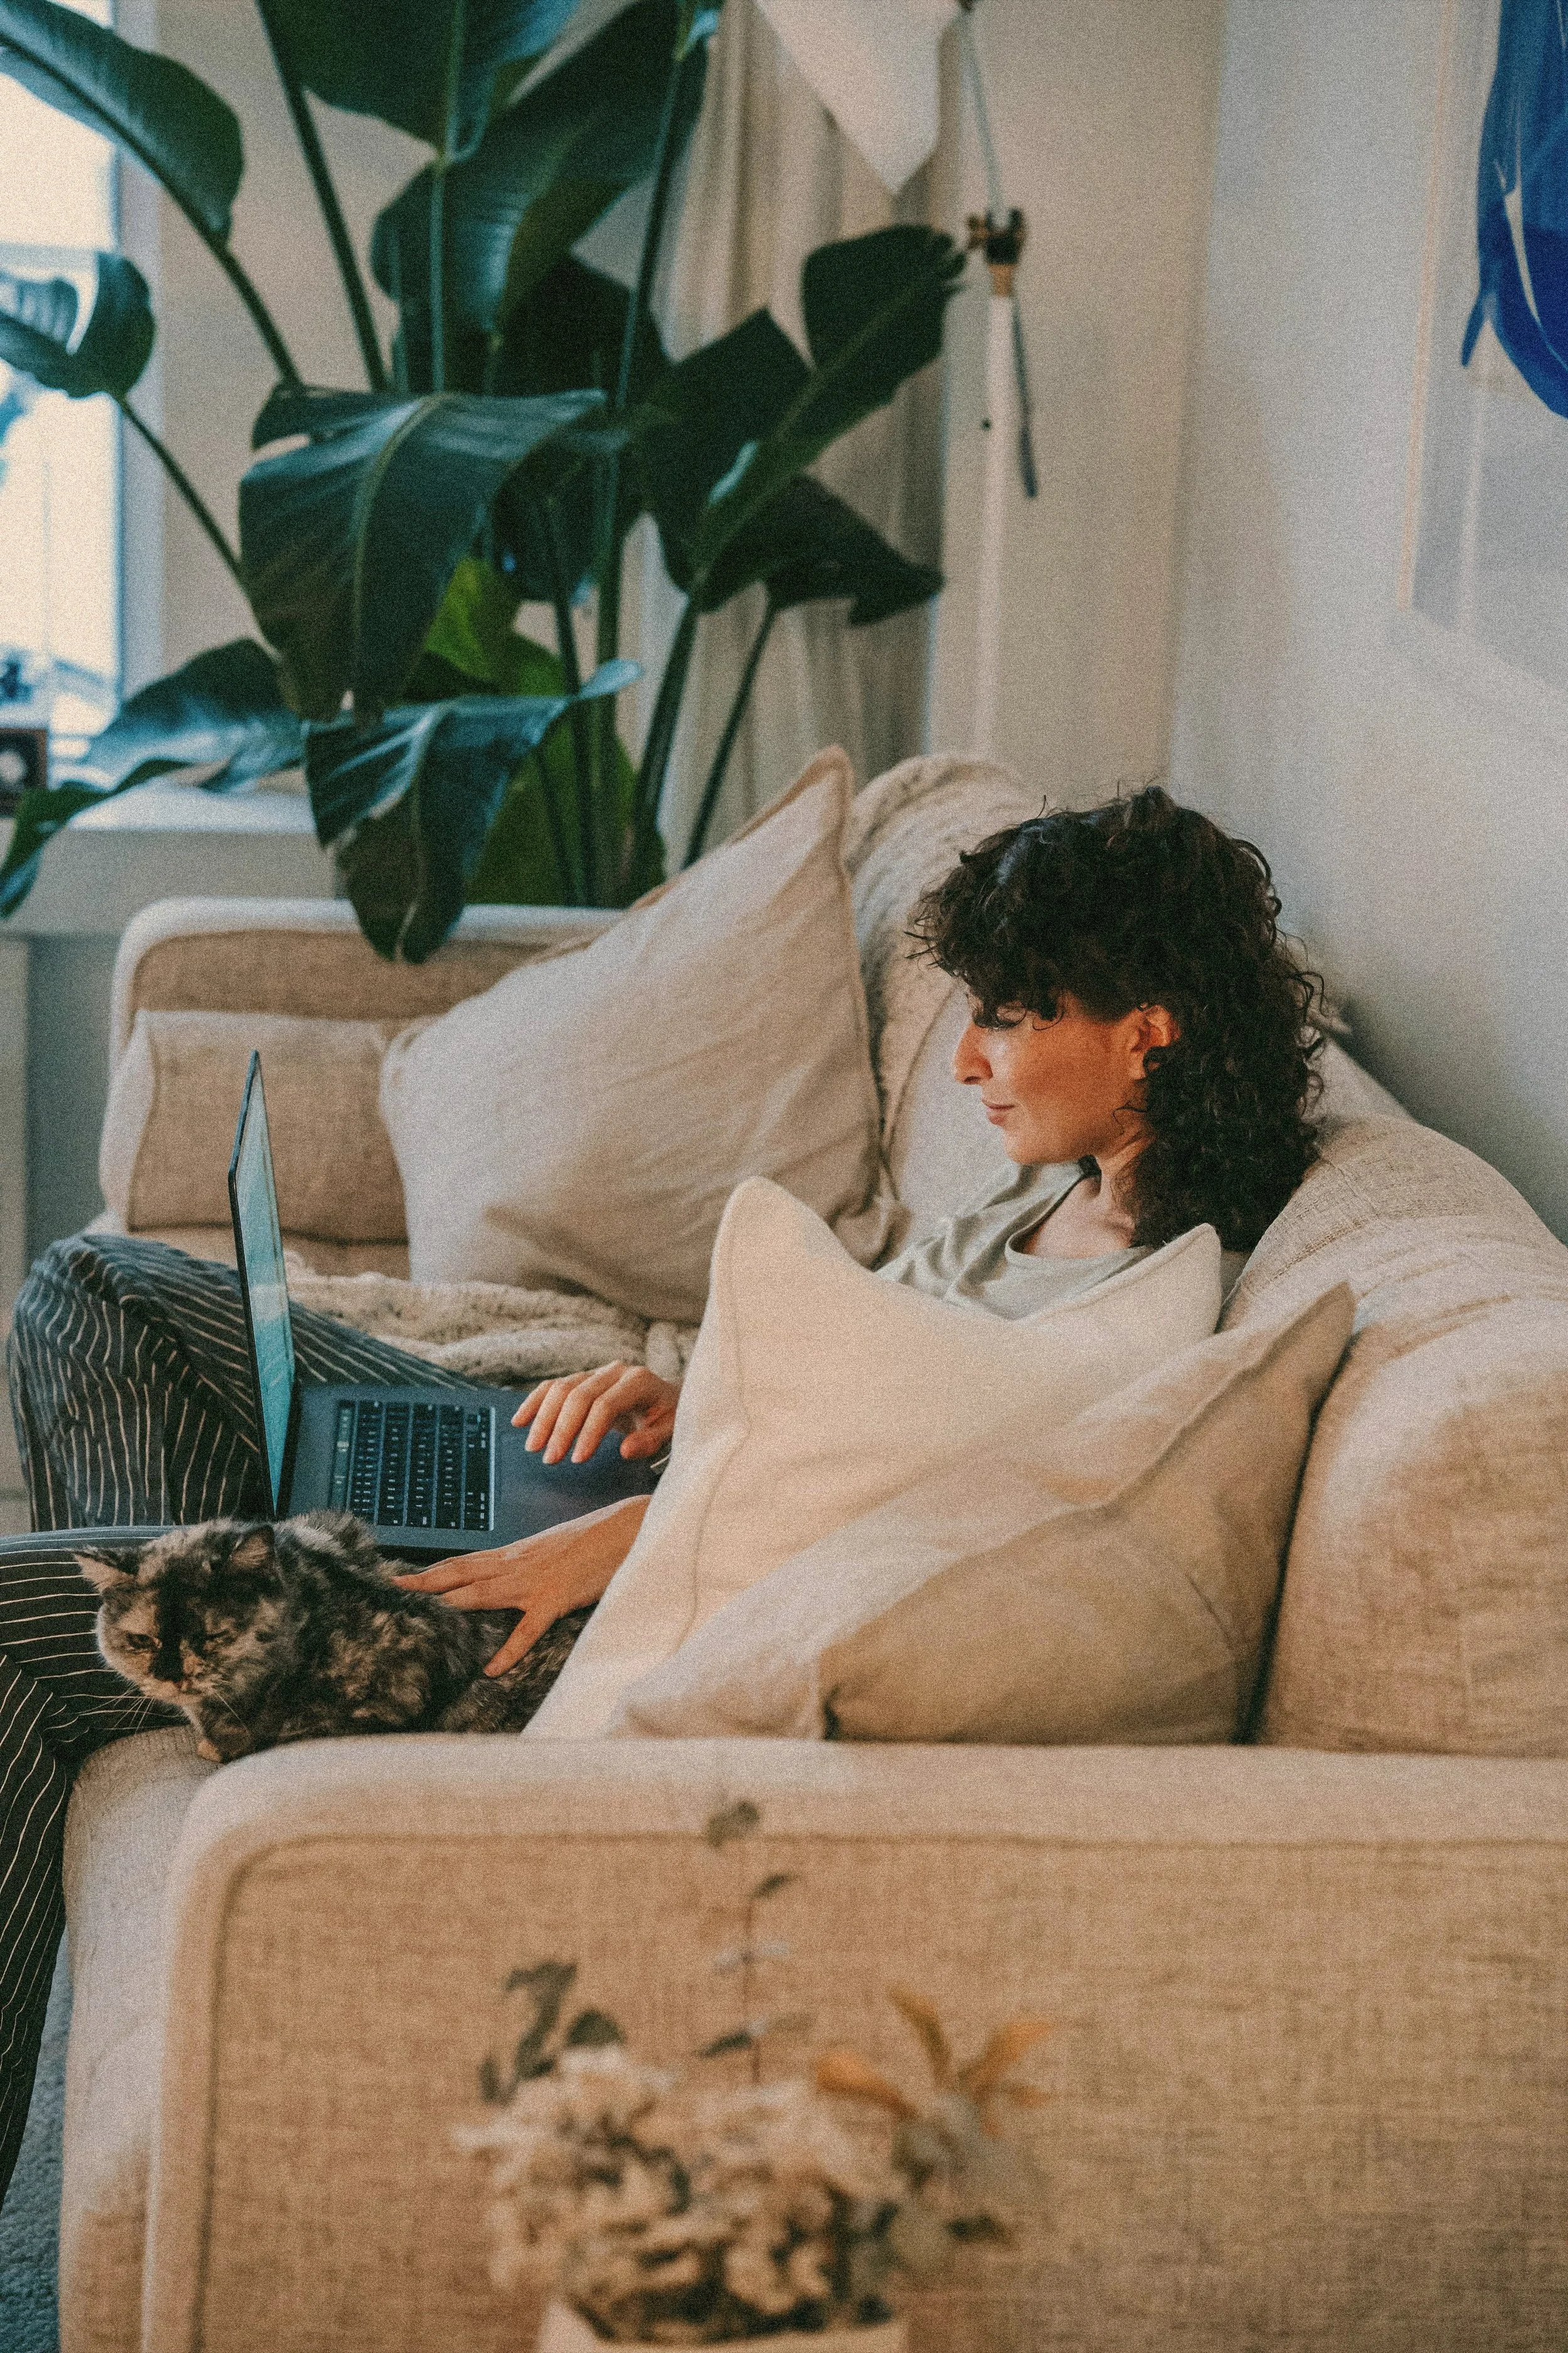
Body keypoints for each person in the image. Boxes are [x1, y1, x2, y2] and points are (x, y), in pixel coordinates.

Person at [0, 783, 1321, 2201]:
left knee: (16, 1621)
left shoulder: (1156, 1311)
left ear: (1149, 1025)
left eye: (1008, 1019)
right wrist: (687, 1405)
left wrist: (639, 1533)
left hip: (620, 1587)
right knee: (95, 1289)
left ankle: (231, 1657)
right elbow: (845, 1393)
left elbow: (916, 1530)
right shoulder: (1040, 1195)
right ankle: (222, 1650)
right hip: (643, 1485)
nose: (967, 1066)